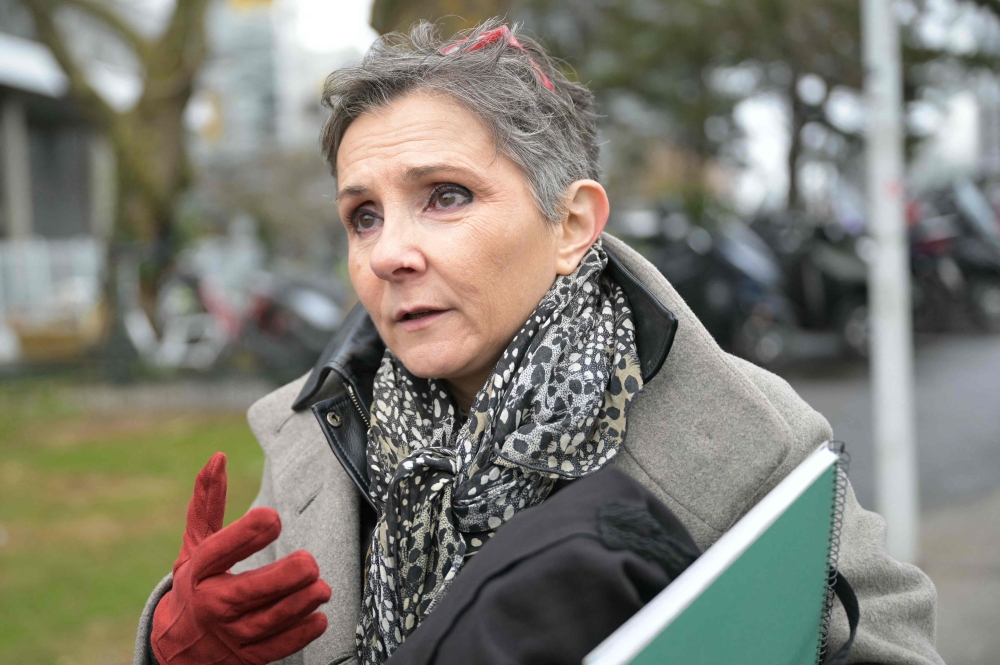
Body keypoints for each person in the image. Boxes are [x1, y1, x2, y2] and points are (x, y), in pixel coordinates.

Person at [133, 19, 943, 665]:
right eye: (363, 215)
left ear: (572, 225)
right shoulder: (315, 441)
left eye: (445, 196)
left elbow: (891, 642)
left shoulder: (751, 430)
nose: (388, 253)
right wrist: (169, 649)